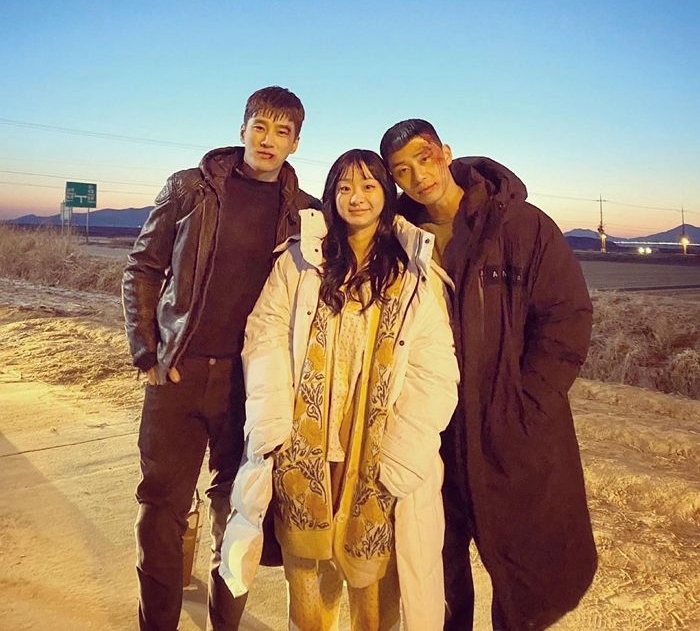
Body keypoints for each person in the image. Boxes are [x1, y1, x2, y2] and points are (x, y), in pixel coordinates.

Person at [380, 120, 597, 631]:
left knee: (523, 567)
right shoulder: (401, 238)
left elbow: (566, 317)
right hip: (433, 426)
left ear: (446, 152)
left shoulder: (519, 225)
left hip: (506, 423)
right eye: (402, 171)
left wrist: (528, 403)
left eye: (424, 158)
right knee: (438, 562)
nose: (418, 176)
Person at [122, 86, 318, 630]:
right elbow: (143, 268)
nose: (268, 140)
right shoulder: (190, 188)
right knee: (161, 509)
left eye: (282, 132)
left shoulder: (305, 214)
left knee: (237, 514)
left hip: (249, 383)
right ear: (242, 130)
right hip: (178, 374)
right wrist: (147, 351)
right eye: (260, 127)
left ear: (296, 143)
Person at [237, 149, 459, 630]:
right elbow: (265, 334)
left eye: (368, 186)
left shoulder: (412, 272)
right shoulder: (301, 261)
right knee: (307, 574)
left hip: (376, 448)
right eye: (344, 188)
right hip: (305, 442)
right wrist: (272, 421)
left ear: (386, 195)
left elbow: (434, 368)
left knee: (373, 583)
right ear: (331, 195)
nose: (356, 197)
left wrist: (404, 450)